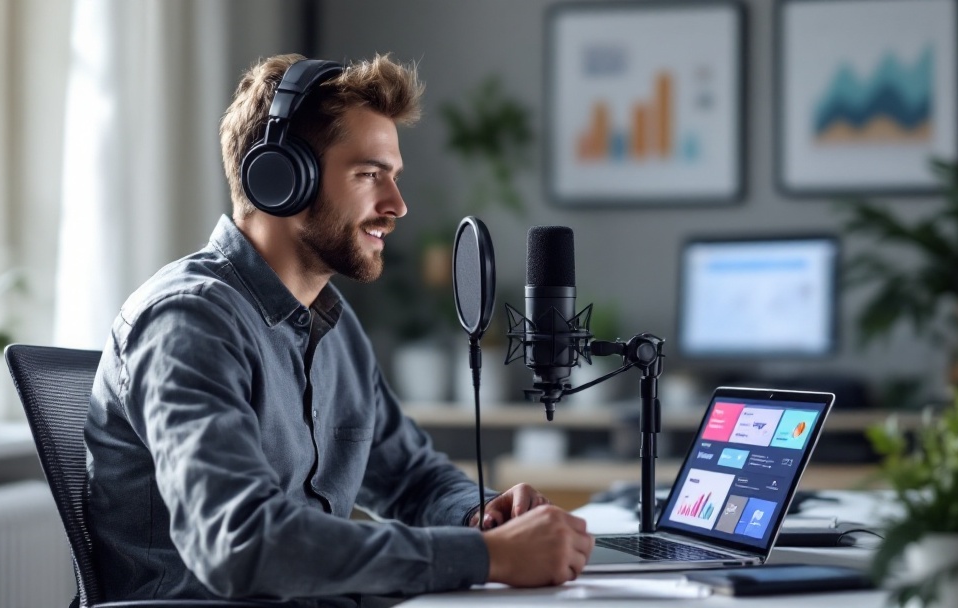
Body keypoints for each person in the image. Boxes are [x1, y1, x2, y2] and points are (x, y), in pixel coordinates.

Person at [84, 53, 593, 607]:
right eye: (369, 174)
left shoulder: (334, 326)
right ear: (281, 177)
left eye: (393, 177)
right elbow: (238, 542)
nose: (396, 205)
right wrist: (489, 558)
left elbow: (410, 478)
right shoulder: (188, 322)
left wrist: (484, 515)